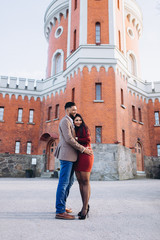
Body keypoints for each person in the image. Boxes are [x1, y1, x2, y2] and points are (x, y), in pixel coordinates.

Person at [54, 102, 93, 220]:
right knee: (63, 183)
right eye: (73, 110)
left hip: (71, 157)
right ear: (67, 110)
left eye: (76, 110)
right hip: (67, 156)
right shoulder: (65, 121)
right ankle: (60, 211)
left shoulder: (70, 121)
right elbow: (69, 139)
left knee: (69, 183)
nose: (75, 112)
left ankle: (62, 205)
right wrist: (83, 149)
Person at [74, 114, 94, 220]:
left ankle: (85, 209)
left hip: (86, 155)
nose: (78, 122)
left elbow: (87, 140)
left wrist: (76, 138)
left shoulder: (84, 128)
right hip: (76, 157)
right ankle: (84, 205)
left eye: (80, 120)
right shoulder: (72, 129)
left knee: (85, 182)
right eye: (76, 120)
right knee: (80, 183)